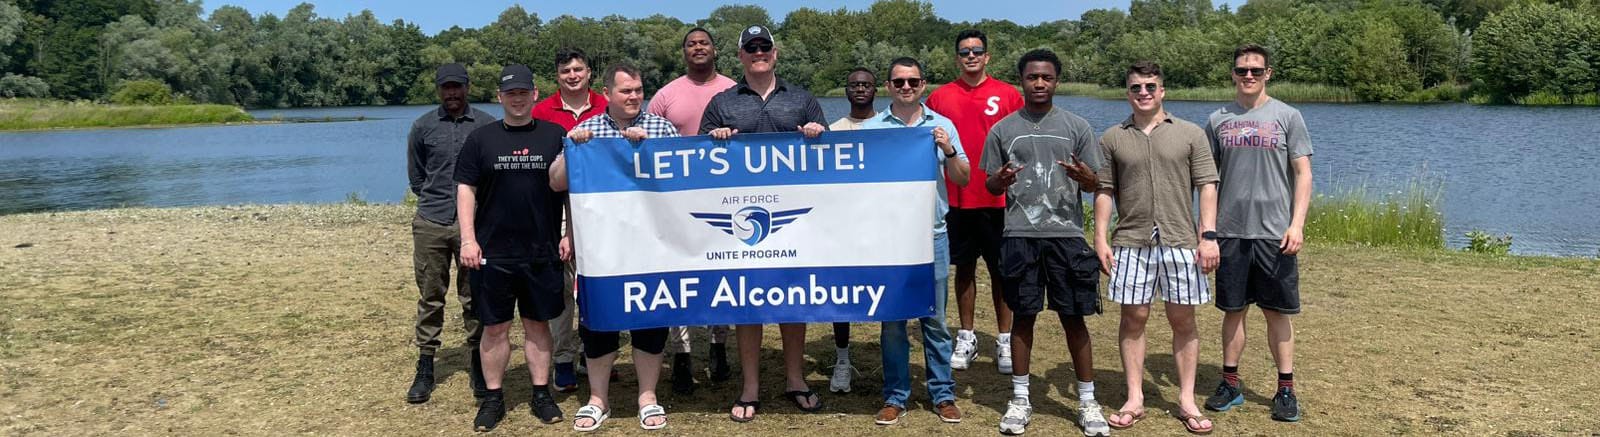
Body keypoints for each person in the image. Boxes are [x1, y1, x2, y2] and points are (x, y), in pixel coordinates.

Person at [700, 24, 828, 423]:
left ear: (775, 53)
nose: (759, 52)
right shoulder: (722, 102)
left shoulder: (803, 99)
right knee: (747, 302)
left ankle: (795, 379)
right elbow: (696, 159)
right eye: (751, 47)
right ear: (740, 55)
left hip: (796, 220)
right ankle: (750, 387)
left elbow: (829, 158)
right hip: (743, 220)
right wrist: (714, 138)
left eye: (765, 47)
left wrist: (818, 135)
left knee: (795, 299)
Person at [981, 49, 1110, 437]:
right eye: (1032, 77)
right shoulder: (1003, 129)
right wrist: (1000, 181)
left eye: (1047, 77)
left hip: (1067, 236)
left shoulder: (1077, 127)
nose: (1039, 83)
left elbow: (1096, 183)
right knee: (1023, 317)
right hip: (1019, 234)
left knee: (1074, 317)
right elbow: (990, 184)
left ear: (1056, 81)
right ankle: (1020, 398)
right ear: (1021, 80)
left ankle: (1087, 401)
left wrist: (1086, 179)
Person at [549, 63, 679, 432]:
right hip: (602, 248)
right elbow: (556, 182)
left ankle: (647, 397)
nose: (634, 96)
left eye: (638, 90)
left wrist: (649, 150)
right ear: (607, 93)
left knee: (651, 320)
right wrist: (573, 150)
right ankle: (598, 399)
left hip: (651, 244)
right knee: (599, 322)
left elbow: (685, 179)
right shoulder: (587, 130)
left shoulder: (662, 128)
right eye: (626, 91)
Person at [1093, 61, 1220, 434]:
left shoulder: (1191, 133)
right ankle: (1134, 398)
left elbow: (1207, 185)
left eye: (1150, 86)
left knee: (1183, 319)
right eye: (1136, 87)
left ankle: (1187, 399)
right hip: (1131, 241)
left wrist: (1208, 235)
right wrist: (1100, 237)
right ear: (1127, 93)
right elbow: (1104, 190)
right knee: (1133, 318)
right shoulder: (1112, 138)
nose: (1143, 93)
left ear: (1162, 91)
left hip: (1181, 240)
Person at [1202, 44, 1313, 424]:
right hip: (1231, 232)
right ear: (1233, 74)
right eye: (1241, 70)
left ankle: (1285, 389)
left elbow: (1303, 173)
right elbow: (1208, 181)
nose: (1248, 76)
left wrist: (1296, 224)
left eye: (1255, 70)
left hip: (1274, 234)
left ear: (1268, 74)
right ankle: (1230, 384)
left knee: (1277, 312)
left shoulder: (1288, 116)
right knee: (1233, 310)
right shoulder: (1217, 120)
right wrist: (1208, 231)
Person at [455, 64, 569, 431]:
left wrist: (569, 233)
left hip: (541, 249)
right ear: (499, 97)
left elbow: (572, 188)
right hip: (493, 252)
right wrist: (468, 239)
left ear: (535, 94)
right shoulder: (480, 139)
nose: (517, 99)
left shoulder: (555, 135)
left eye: (523, 92)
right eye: (510, 93)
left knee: (538, 325)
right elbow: (466, 189)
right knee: (495, 328)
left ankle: (541, 393)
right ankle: (493, 398)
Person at [860, 57, 968, 426]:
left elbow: (964, 177)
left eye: (913, 81)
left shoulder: (942, 125)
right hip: (889, 238)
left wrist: (948, 150)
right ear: (888, 86)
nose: (906, 87)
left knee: (934, 320)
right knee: (893, 322)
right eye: (899, 82)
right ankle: (895, 396)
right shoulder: (872, 129)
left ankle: (943, 394)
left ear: (923, 85)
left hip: (931, 235)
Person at [645, 27, 739, 395]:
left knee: (722, 271)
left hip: (722, 198)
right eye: (691, 44)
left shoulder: (734, 90)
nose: (698, 48)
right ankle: (681, 353)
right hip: (678, 200)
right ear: (684, 52)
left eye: (704, 42)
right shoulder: (665, 95)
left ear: (715, 49)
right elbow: (647, 140)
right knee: (678, 273)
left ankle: (719, 346)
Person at [927, 29, 1024, 373]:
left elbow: (1023, 142)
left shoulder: (1008, 94)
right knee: (964, 269)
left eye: (977, 51)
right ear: (957, 58)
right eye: (965, 51)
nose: (971, 56)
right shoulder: (939, 97)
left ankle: (1005, 339)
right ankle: (966, 336)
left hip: (999, 200)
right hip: (956, 199)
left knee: (1001, 271)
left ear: (987, 57)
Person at [404, 63, 495, 405]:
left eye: (457, 86)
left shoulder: (486, 125)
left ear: (467, 87)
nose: (452, 93)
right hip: (432, 220)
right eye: (446, 87)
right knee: (431, 295)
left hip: (474, 224)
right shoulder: (422, 126)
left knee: (475, 295)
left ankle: (478, 360)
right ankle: (426, 363)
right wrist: (436, 201)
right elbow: (417, 178)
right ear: (439, 90)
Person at [529, 47, 607, 393]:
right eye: (565, 71)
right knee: (562, 286)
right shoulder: (542, 111)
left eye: (578, 69)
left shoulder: (607, 106)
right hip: (556, 206)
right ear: (557, 76)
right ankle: (563, 357)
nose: (572, 76)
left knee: (597, 282)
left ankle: (595, 352)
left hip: (601, 207)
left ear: (589, 72)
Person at [821, 66, 878, 394]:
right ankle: (842, 358)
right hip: (844, 225)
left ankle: (890, 359)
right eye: (854, 85)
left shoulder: (890, 129)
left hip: (880, 223)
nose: (860, 89)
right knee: (840, 295)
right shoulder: (833, 130)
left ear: (875, 90)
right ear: (846, 90)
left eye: (866, 84)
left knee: (886, 290)